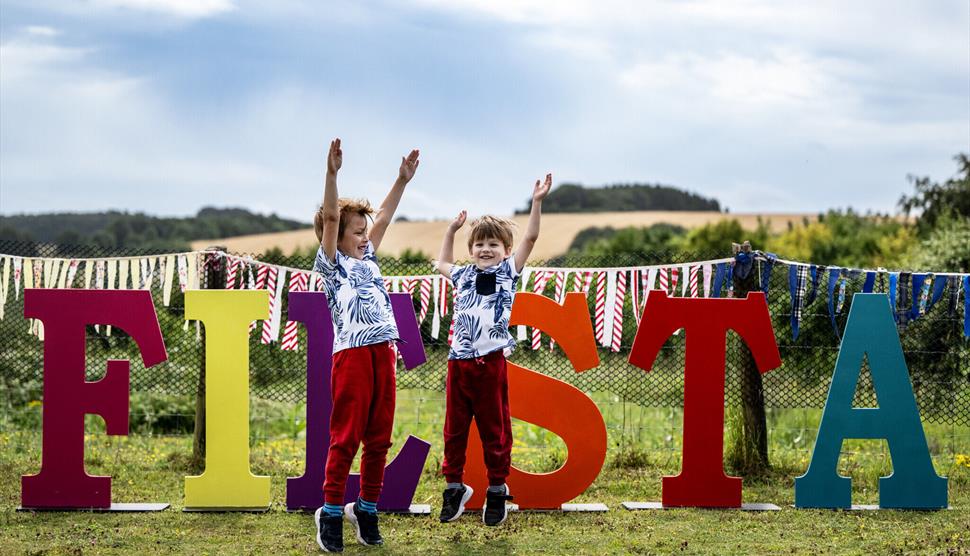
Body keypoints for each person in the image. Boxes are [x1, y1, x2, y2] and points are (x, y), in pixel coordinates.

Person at [312, 138, 420, 553]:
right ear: (335, 236)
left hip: (383, 353)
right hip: (352, 356)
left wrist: (401, 180)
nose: (363, 236)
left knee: (379, 438)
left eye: (364, 231)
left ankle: (368, 508)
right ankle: (332, 512)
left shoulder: (369, 260)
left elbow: (387, 216)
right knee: (346, 437)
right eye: (355, 231)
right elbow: (333, 217)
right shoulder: (331, 264)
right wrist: (332, 174)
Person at [434, 173, 552, 526]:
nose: (485, 250)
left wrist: (537, 202)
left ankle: (497, 490)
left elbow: (530, 237)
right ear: (471, 250)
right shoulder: (464, 275)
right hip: (459, 365)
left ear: (504, 250)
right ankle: (454, 487)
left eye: (493, 245)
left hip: (490, 364)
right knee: (454, 431)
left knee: (494, 429)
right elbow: (441, 264)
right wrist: (451, 232)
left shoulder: (508, 273)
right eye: (480, 244)